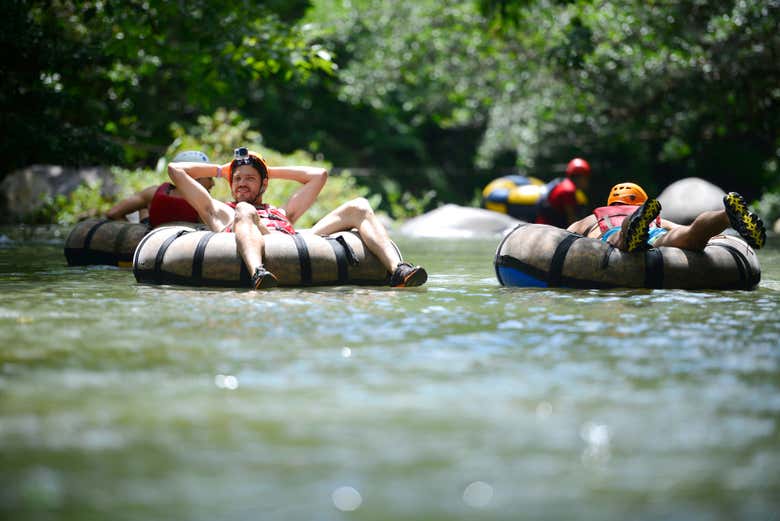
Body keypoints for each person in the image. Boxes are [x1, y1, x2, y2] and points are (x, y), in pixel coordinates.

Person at [167, 147, 427, 289]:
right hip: (257, 240)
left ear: (263, 184)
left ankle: (398, 271)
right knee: (246, 210)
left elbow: (319, 174)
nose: (241, 183)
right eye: (237, 179)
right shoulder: (220, 210)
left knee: (359, 205)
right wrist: (221, 170)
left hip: (290, 241)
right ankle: (257, 272)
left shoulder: (284, 212)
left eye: (250, 179)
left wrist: (264, 168)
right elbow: (175, 170)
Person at [567, 182, 767, 252]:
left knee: (617, 239)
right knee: (689, 236)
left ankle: (630, 231)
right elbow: (681, 228)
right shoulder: (658, 219)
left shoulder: (592, 218)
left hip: (614, 232)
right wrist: (717, 236)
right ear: (641, 202)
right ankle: (726, 216)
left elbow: (562, 238)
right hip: (655, 233)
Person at [107, 150, 215, 227]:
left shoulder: (152, 193)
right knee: (144, 209)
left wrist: (136, 234)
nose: (213, 183)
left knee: (144, 208)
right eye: (209, 178)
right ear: (195, 177)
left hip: (152, 243)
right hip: (184, 252)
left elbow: (113, 213)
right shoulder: (203, 204)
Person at [536, 157, 591, 227]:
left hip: (548, 225)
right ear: (580, 177)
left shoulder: (565, 183)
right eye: (586, 177)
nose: (587, 181)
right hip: (547, 228)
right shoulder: (568, 190)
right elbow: (571, 220)